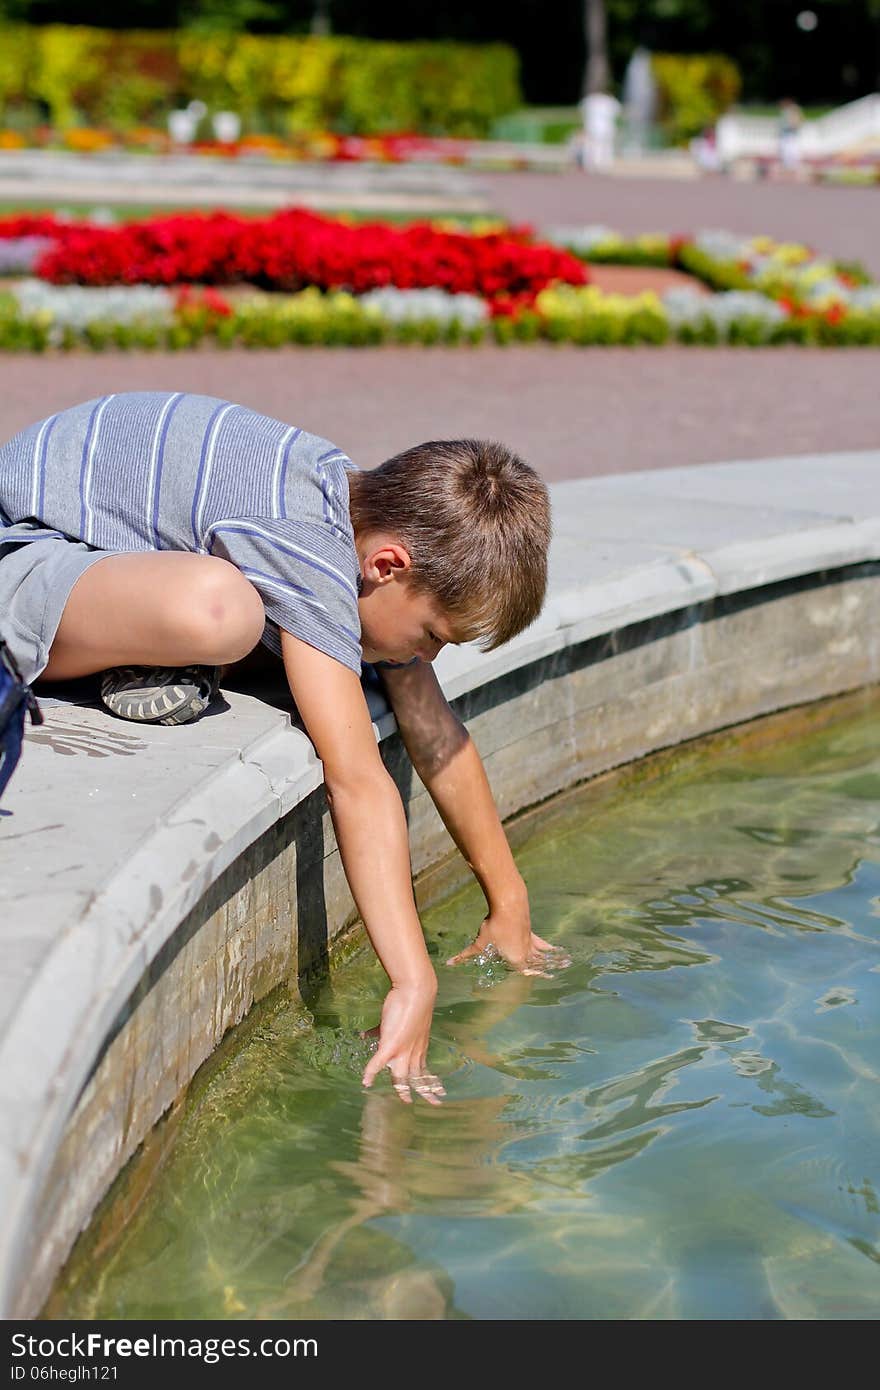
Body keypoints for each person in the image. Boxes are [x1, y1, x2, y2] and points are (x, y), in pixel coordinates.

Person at [0, 391, 563, 1103]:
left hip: (99, 560)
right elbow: (356, 780)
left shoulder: (351, 518)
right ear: (387, 565)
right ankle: (160, 656)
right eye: (432, 636)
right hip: (20, 552)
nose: (429, 659)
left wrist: (508, 899)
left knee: (322, 646)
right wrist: (414, 979)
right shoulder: (304, 543)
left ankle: (162, 660)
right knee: (222, 612)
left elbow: (435, 728)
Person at [578, 89, 621, 171]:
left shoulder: (589, 100)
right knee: (606, 147)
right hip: (606, 127)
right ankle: (604, 165)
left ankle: (592, 165)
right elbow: (617, 112)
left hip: (593, 126)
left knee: (592, 147)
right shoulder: (610, 101)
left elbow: (582, 111)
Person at [777, 98, 803, 172]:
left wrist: (794, 125)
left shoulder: (793, 110)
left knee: (791, 150)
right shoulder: (786, 112)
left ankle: (793, 165)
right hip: (786, 134)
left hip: (790, 134)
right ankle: (788, 166)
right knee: (785, 150)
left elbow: (796, 122)